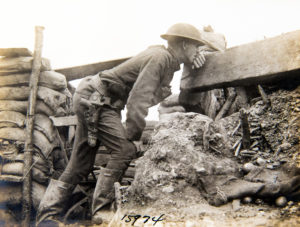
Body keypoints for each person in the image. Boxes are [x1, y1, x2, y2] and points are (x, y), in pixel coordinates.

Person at [36, 22, 208, 225]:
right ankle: (102, 215)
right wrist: (134, 136)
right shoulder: (160, 58)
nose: (199, 51)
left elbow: (144, 96)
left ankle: (46, 217)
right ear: (185, 45)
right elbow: (138, 99)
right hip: (96, 101)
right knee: (125, 150)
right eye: (197, 46)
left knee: (81, 163)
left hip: (95, 98)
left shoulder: (166, 61)